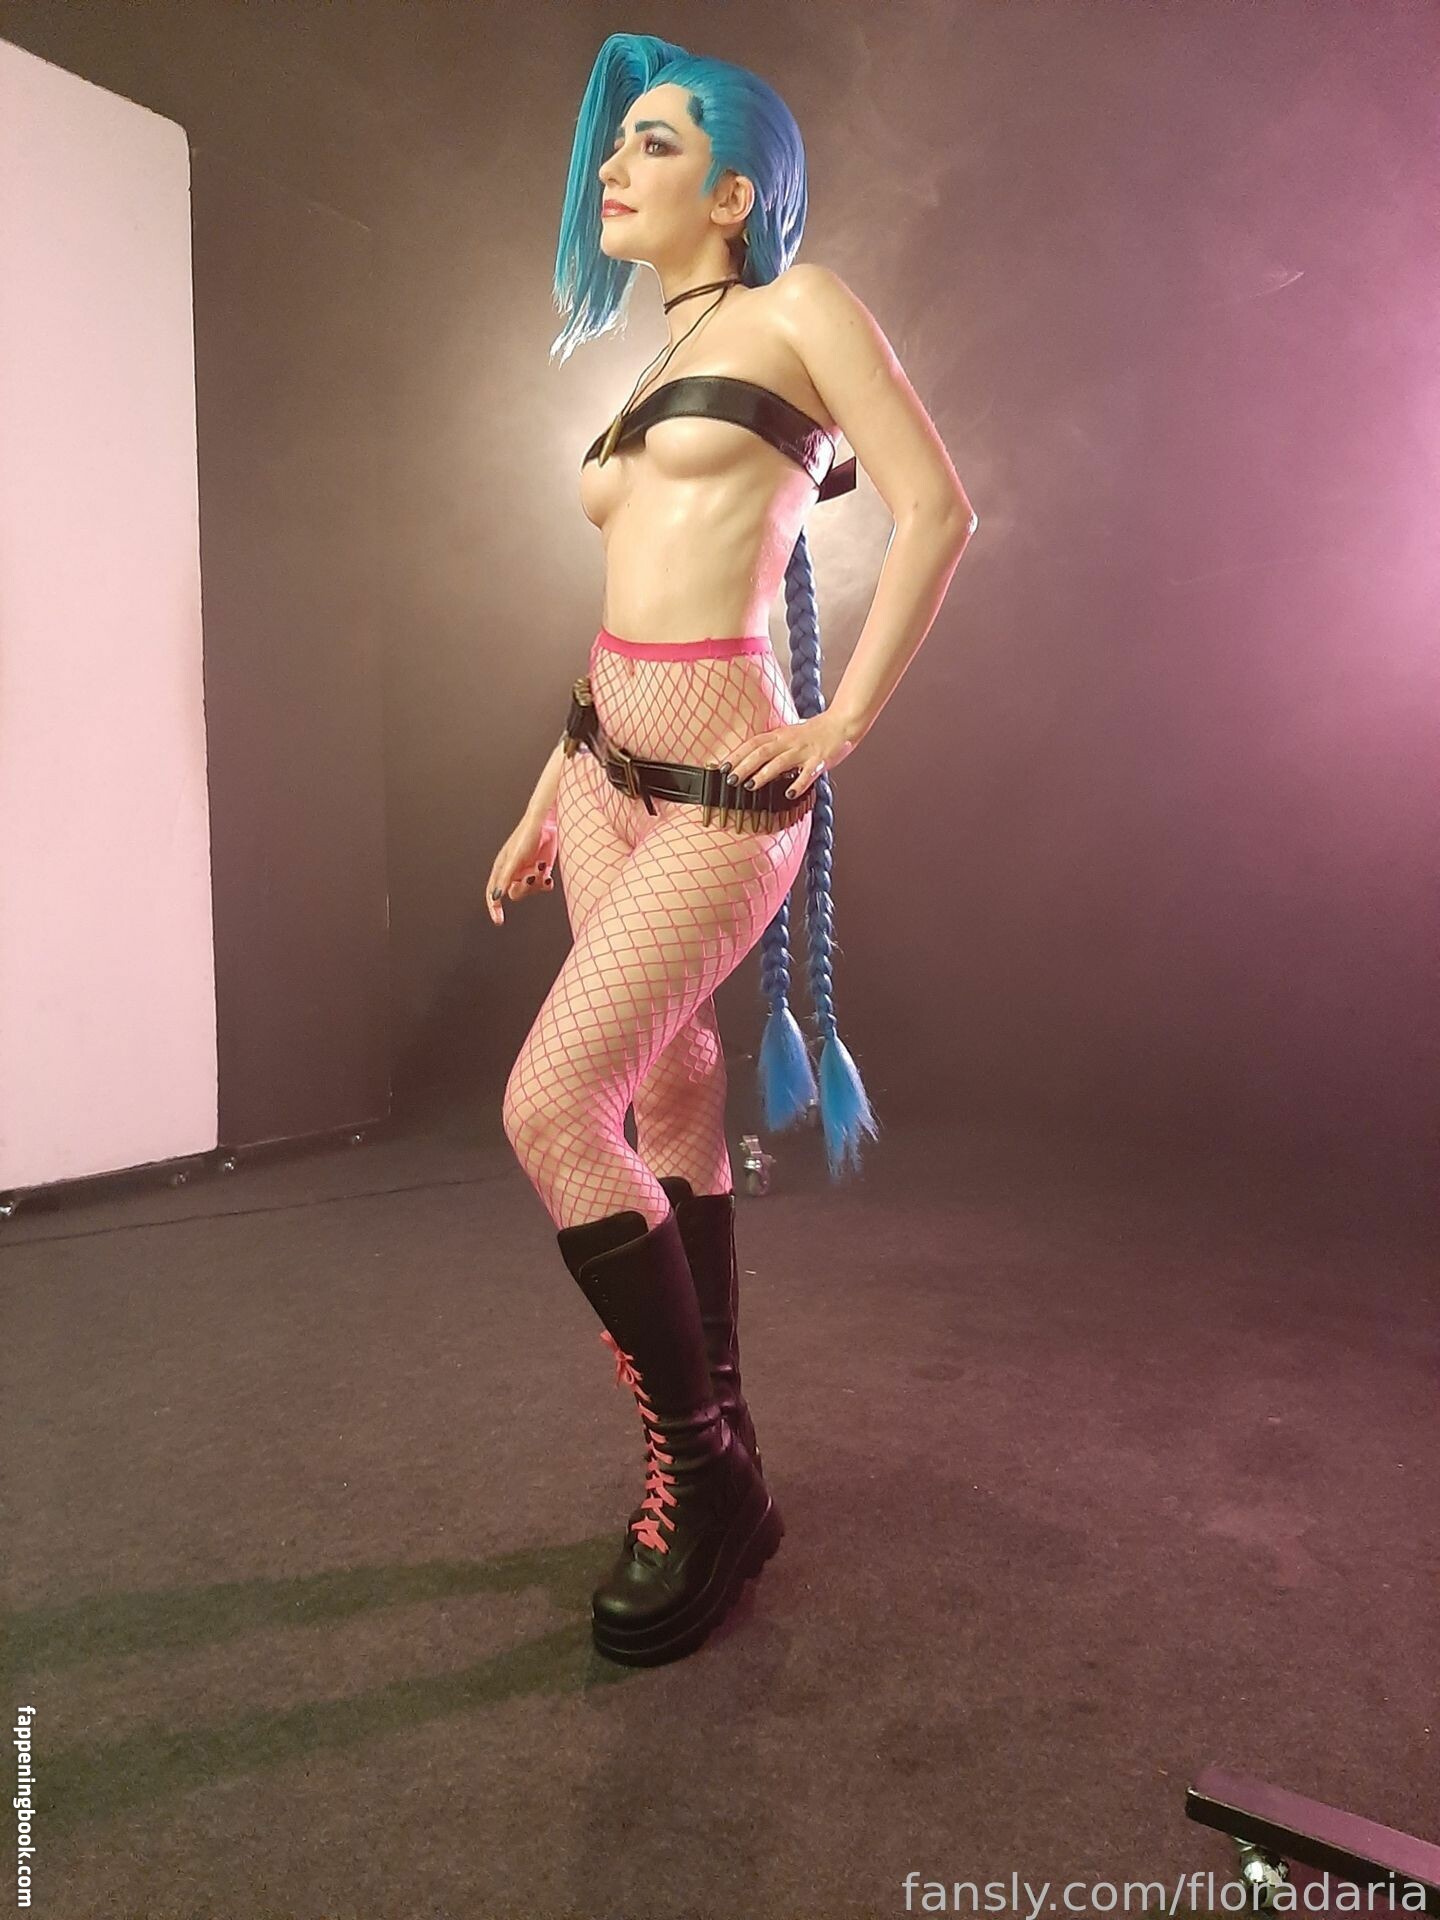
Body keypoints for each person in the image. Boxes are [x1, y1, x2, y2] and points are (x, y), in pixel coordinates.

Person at [488, 32, 977, 1666]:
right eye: (615, 143)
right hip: (602, 769)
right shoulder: (654, 357)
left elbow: (938, 510)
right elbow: (629, 595)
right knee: (675, 1091)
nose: (612, 169)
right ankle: (731, 1447)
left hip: (722, 790)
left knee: (555, 1108)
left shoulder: (802, 306)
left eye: (652, 142)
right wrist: (545, 788)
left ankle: (700, 1480)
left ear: (737, 190)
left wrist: (842, 725)